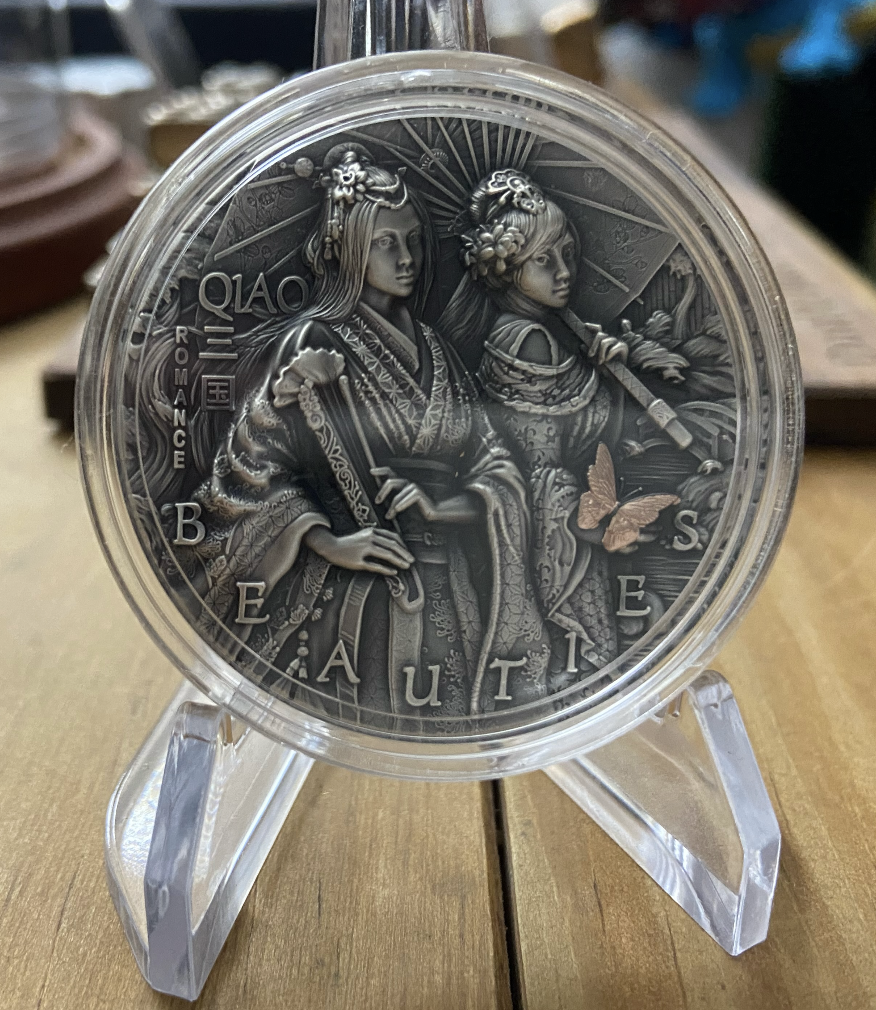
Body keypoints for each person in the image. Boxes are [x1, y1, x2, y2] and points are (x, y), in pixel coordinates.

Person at [191, 146, 549, 726]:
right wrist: (329, 542)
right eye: (385, 242)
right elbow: (253, 461)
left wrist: (443, 507)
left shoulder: (438, 351)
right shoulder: (312, 341)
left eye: (413, 240)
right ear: (351, 248)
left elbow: (496, 465)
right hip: (356, 592)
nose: (406, 258)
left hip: (451, 587)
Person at [439, 169, 627, 685]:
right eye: (545, 260)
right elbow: (554, 457)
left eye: (568, 254)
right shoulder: (531, 342)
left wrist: (599, 370)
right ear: (508, 269)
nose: (564, 272)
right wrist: (605, 379)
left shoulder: (523, 332)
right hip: (550, 524)